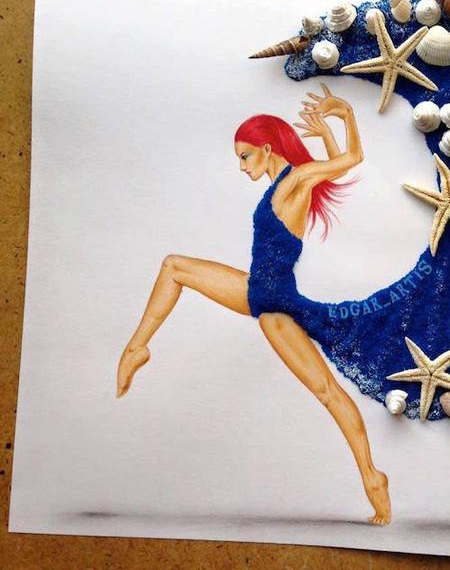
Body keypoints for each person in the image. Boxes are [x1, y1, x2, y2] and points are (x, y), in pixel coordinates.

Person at [116, 84, 391, 525]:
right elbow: (327, 170)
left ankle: (373, 477)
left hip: (275, 304)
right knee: (173, 266)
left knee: (327, 391)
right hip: (253, 289)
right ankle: (137, 348)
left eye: (245, 156)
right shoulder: (291, 181)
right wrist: (326, 135)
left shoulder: (295, 179)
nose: (242, 166)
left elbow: (352, 159)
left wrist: (344, 114)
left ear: (265, 149)